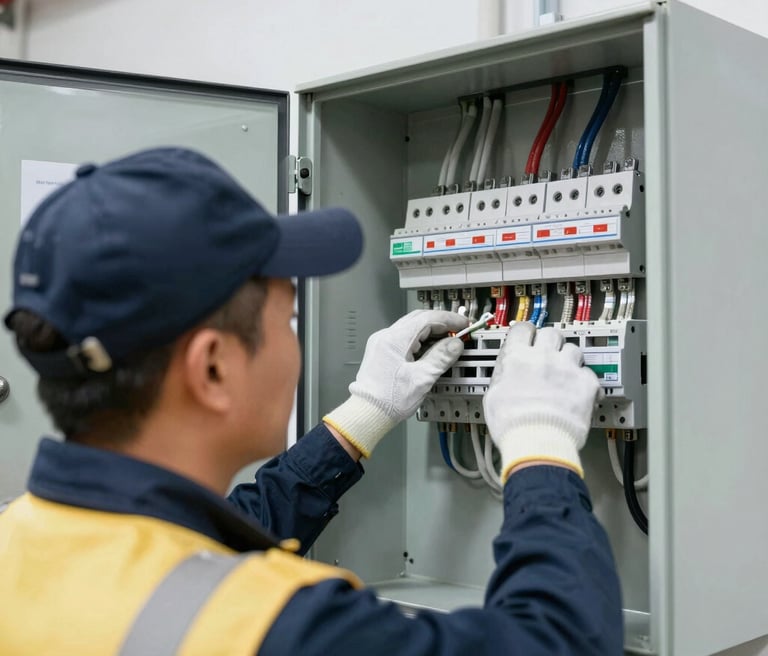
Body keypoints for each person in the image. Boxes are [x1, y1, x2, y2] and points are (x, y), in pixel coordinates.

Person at [0, 147, 622, 655]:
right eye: (288, 319)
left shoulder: (20, 538)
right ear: (212, 367)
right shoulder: (278, 627)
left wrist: (365, 415)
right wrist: (541, 441)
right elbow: (562, 643)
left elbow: (208, 541)